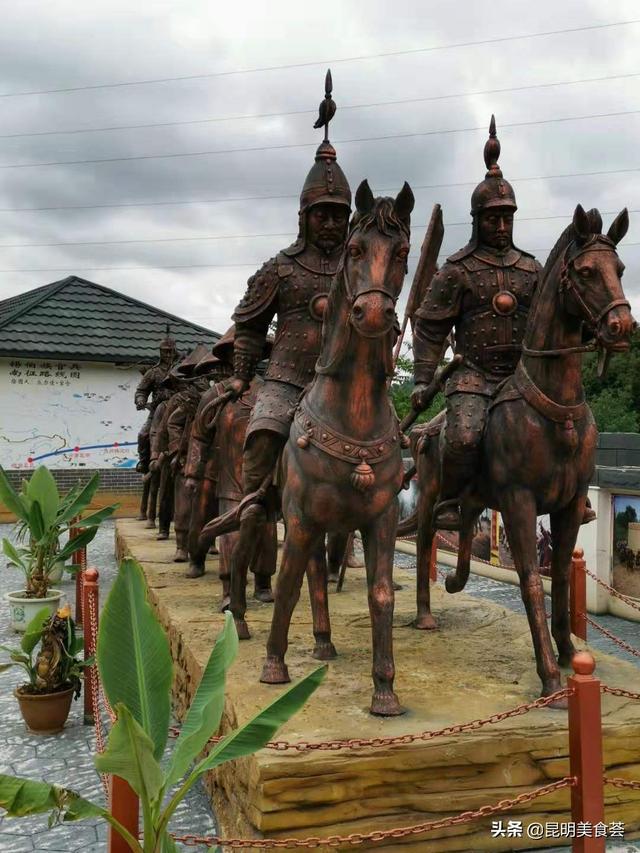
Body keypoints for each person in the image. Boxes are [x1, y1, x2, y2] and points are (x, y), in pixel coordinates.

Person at [134, 326, 178, 477]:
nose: (168, 354)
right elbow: (142, 391)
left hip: (179, 409)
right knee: (143, 435)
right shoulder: (152, 372)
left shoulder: (181, 370)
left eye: (170, 351)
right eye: (165, 351)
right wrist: (140, 400)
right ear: (160, 352)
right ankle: (144, 461)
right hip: (156, 411)